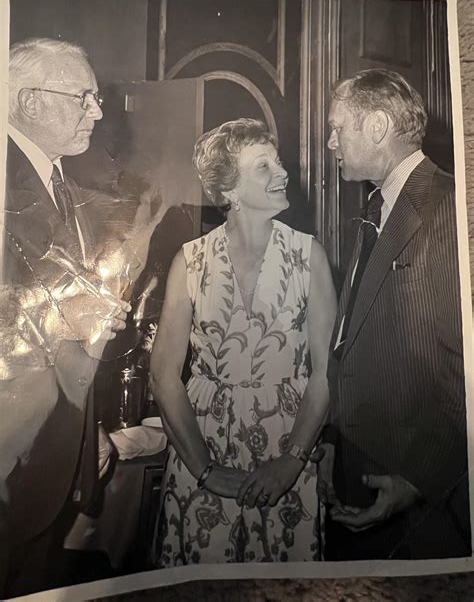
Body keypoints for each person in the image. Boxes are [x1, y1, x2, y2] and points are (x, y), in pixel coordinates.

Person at [150, 118, 336, 565]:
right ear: (229, 189)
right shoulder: (190, 262)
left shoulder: (308, 254)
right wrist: (205, 470)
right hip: (203, 444)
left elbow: (326, 373)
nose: (282, 172)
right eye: (263, 166)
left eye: (278, 160)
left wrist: (292, 461)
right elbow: (163, 376)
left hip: (289, 442)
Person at [1, 37, 137, 596]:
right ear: (29, 100)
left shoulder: (67, 187)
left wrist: (89, 433)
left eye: (97, 97)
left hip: (55, 455)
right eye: (82, 97)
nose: (99, 111)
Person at [317, 68, 470, 560]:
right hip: (359, 468)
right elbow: (353, 340)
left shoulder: (448, 207)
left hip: (421, 494)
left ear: (378, 127)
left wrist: (418, 478)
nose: (329, 143)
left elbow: (463, 365)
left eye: (338, 128)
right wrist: (333, 443)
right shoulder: (378, 205)